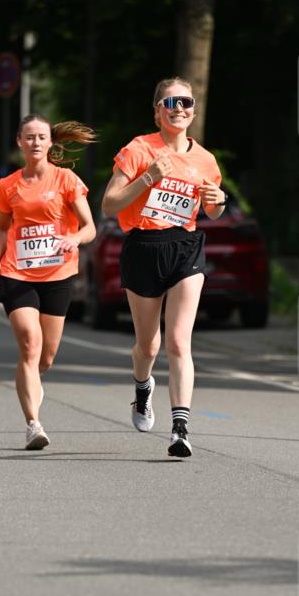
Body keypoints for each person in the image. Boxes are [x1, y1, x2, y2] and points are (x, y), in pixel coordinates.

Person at [101, 77, 226, 458]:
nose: (179, 109)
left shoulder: (205, 159)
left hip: (185, 248)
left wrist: (219, 199)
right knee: (148, 345)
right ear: (157, 112)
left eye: (185, 102)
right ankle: (143, 387)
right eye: (170, 103)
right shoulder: (139, 149)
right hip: (144, 247)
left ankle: (180, 428)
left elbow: (212, 210)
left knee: (178, 342)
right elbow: (110, 204)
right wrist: (148, 178)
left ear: (194, 110)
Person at [0, 115, 96, 450]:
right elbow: (2, 228)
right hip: (17, 273)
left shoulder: (66, 179)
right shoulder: (8, 185)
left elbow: (90, 227)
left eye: (41, 137)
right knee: (30, 344)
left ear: (50, 142)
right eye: (29, 137)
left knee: (45, 358)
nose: (35, 143)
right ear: (19, 141)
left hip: (58, 274)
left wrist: (74, 239)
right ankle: (33, 424)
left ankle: (31, 382)